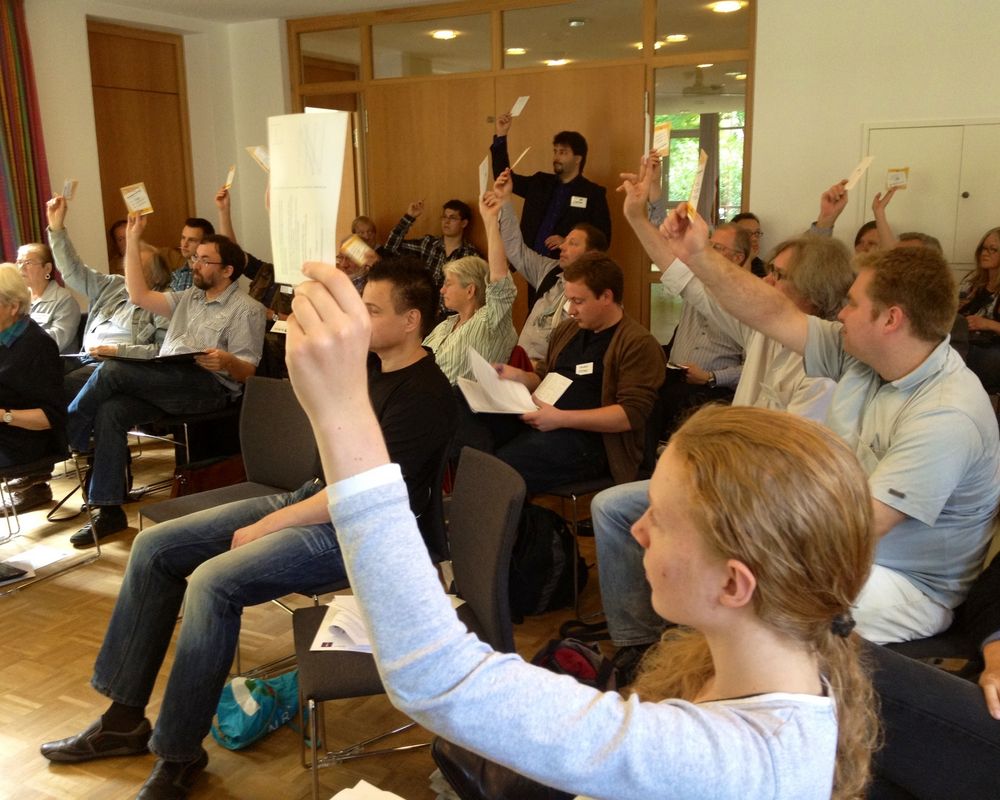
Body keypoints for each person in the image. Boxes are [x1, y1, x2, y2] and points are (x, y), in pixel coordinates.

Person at [282, 261, 879, 799]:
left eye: (664, 520)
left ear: (734, 584)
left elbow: (435, 676)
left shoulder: (731, 763)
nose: (638, 530)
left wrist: (340, 409)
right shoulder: (764, 669)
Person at [39, 258, 457, 800]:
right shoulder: (368, 368)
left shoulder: (426, 395)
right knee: (153, 546)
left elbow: (360, 495)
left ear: (411, 320)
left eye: (371, 311)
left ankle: (178, 753)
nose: (358, 320)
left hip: (363, 533)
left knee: (213, 582)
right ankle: (123, 720)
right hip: (315, 499)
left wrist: (268, 523)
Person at [656, 199, 1000, 645]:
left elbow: (859, 523)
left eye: (853, 303)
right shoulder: (867, 354)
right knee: (718, 567)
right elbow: (772, 312)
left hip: (905, 581)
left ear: (891, 319)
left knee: (748, 593)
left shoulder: (946, 413)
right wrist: (699, 255)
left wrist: (738, 524)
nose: (840, 313)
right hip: (848, 548)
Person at [66, 214, 265, 546]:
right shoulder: (188, 298)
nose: (195, 264)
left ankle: (67, 430)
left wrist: (226, 360)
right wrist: (132, 241)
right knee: (111, 410)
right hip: (168, 378)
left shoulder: (247, 309)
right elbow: (138, 295)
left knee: (112, 370)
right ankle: (109, 510)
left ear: (227, 270)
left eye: (204, 260)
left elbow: (248, 371)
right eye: (195, 258)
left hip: (208, 388)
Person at [479, 250, 664, 493]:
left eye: (578, 301)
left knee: (501, 468)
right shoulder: (567, 331)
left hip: (591, 441)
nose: (571, 310)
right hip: (544, 419)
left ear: (606, 297)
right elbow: (545, 376)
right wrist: (518, 376)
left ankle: (509, 512)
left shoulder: (637, 343)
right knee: (471, 422)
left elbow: (630, 415)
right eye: (569, 300)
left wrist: (560, 418)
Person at [46, 195, 171, 401]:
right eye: (128, 264)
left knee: (59, 388)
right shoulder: (112, 285)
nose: (129, 270)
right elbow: (73, 271)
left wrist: (116, 351)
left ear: (156, 276)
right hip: (84, 359)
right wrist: (56, 228)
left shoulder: (163, 301)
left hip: (120, 368)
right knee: (34, 373)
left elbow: (162, 351)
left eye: (137, 267)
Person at [495, 170, 609, 368]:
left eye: (572, 243)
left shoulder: (599, 294)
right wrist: (504, 200)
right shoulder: (549, 270)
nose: (562, 246)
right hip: (521, 365)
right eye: (565, 241)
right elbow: (516, 250)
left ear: (592, 254)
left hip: (555, 372)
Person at [422, 175, 517, 384]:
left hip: (461, 401)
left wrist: (490, 220)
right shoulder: (444, 326)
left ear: (470, 290)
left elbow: (499, 279)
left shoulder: (490, 321)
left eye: (448, 284)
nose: (442, 290)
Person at [491, 113, 610, 257]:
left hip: (564, 265)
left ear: (578, 159)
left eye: (563, 152)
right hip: (527, 262)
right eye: (555, 151)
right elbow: (503, 179)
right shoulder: (539, 182)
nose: (556, 157)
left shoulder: (593, 194)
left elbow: (603, 240)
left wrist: (569, 242)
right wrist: (501, 135)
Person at [0, 265, 65, 511]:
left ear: (13, 307)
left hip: (25, 442)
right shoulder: (3, 334)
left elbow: (51, 418)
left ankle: (35, 487)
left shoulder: (37, 346)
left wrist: (3, 415)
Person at [383, 197, 480, 291]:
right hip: (423, 299)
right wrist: (409, 217)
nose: (446, 221)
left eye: (453, 218)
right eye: (444, 217)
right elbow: (391, 247)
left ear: (464, 223)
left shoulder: (470, 255)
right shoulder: (428, 243)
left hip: (451, 301)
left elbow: (474, 289)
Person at [16, 242, 81, 354]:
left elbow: (55, 342)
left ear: (47, 268)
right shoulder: (18, 299)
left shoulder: (64, 300)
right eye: (19, 262)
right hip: (22, 358)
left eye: (28, 262)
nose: (21, 267)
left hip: (54, 361)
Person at [959, 227, 1000, 391]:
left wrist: (987, 324)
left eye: (993, 249)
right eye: (983, 248)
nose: (985, 253)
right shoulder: (974, 282)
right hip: (967, 340)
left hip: (991, 348)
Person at [168, 217, 215, 291]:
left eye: (192, 240)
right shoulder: (175, 276)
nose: (184, 244)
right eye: (183, 238)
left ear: (206, 243)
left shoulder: (213, 274)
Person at [730, 211, 767, 277]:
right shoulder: (723, 260)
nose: (754, 239)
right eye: (747, 233)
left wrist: (748, 259)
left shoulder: (762, 267)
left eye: (757, 233)